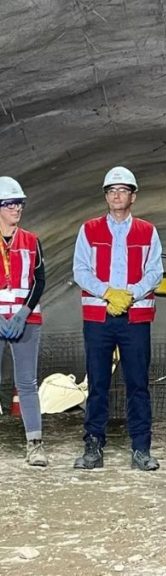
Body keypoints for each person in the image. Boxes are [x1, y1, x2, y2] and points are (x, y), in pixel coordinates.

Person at [72, 166, 163, 471]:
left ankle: (141, 449)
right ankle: (93, 446)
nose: (116, 196)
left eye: (122, 191)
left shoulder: (148, 231)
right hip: (98, 317)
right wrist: (108, 293)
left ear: (133, 196)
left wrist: (131, 295)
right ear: (106, 196)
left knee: (138, 384)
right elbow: (80, 270)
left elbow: (155, 271)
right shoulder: (89, 230)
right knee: (97, 383)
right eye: (111, 191)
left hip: (135, 318)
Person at [0, 177, 48, 467]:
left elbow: (39, 280)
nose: (16, 208)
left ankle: (35, 444)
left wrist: (23, 313)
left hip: (25, 321)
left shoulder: (31, 241)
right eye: (10, 204)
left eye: (19, 204)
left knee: (27, 383)